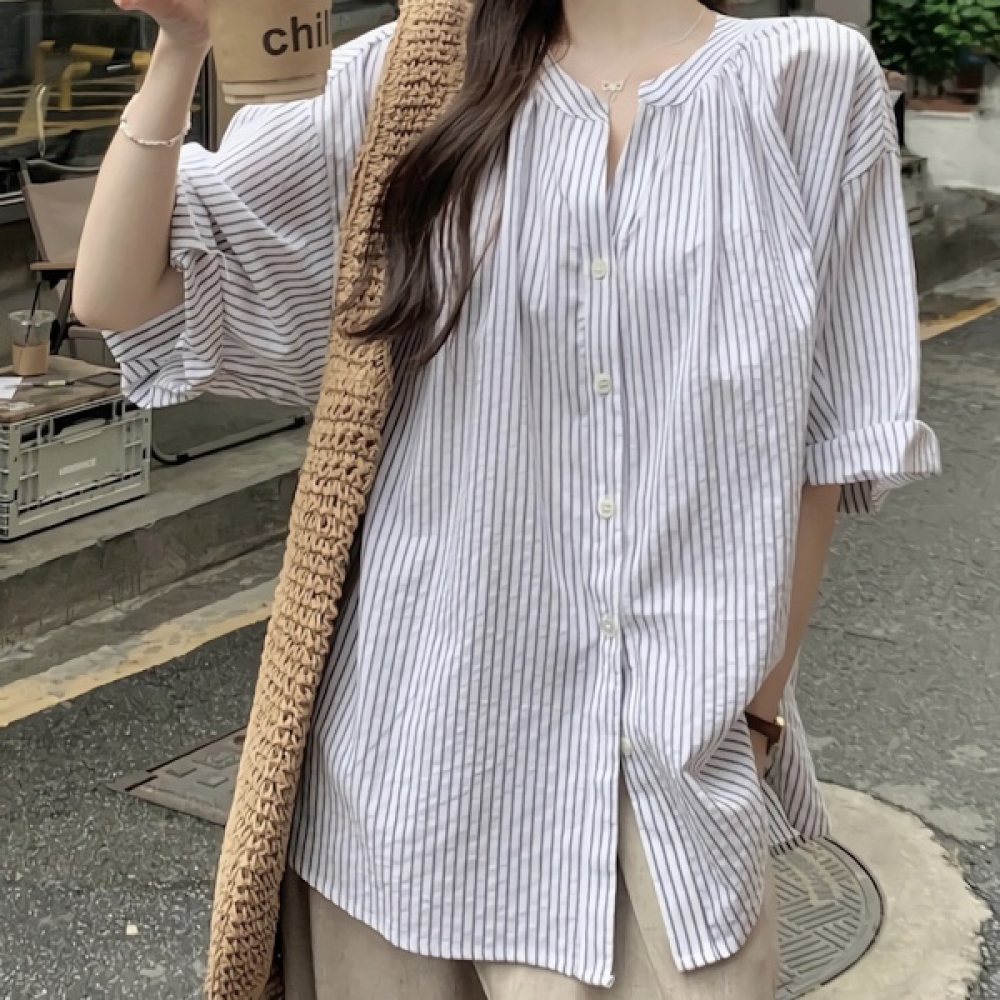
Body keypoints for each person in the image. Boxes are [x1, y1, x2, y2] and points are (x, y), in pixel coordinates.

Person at [74, 0, 941, 997]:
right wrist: (183, 46)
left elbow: (828, 440)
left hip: (656, 774)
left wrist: (751, 717)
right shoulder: (410, 78)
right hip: (401, 769)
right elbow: (119, 294)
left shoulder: (808, 79)